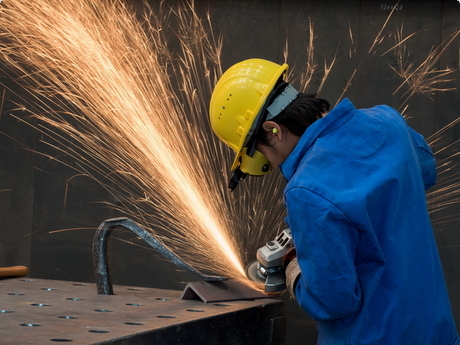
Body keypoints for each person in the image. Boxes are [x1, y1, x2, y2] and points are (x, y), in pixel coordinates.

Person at [209, 58, 459, 345]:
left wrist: (294, 266)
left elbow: (331, 302)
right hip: (435, 333)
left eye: (262, 154)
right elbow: (425, 171)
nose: (272, 165)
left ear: (273, 130)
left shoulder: (305, 190)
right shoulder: (387, 122)